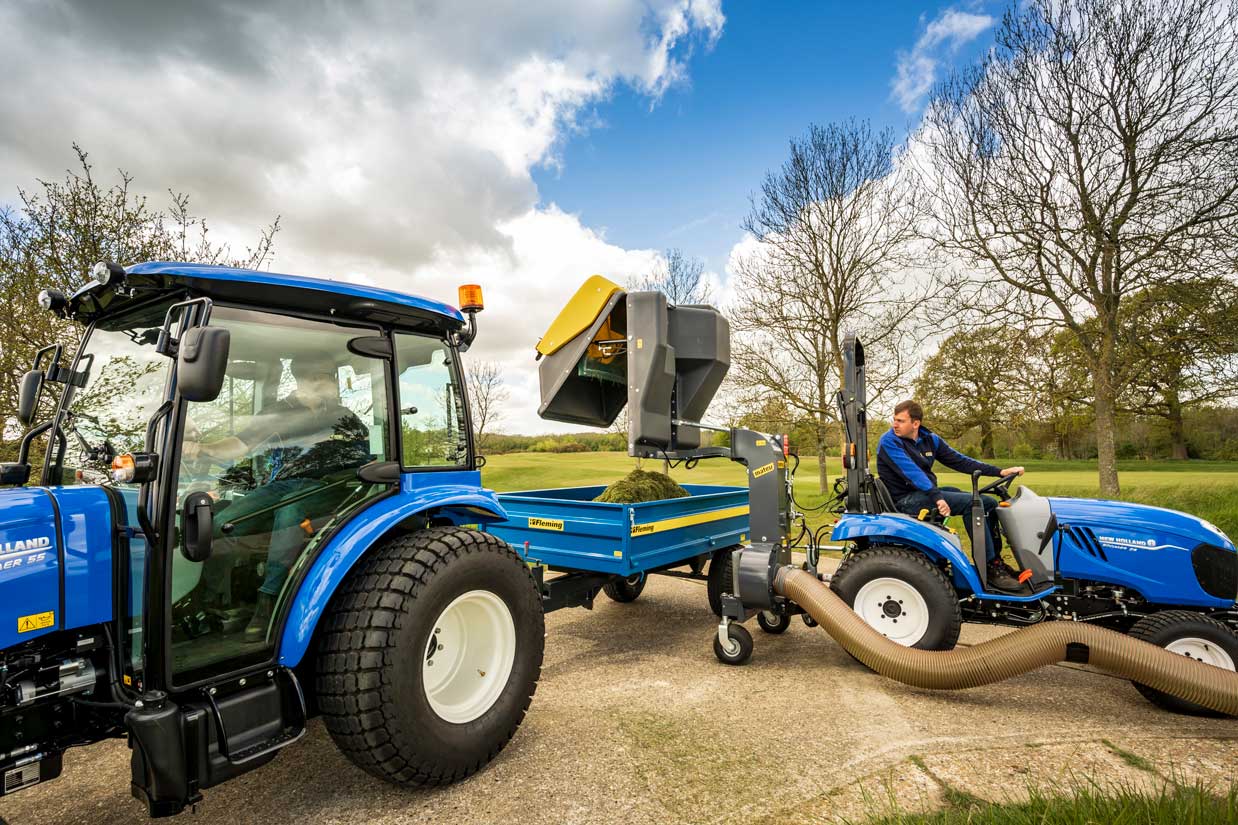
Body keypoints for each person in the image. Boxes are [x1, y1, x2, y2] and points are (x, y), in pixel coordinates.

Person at [183, 356, 369, 641]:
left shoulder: (344, 416)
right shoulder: (277, 413)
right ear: (302, 380)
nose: (330, 383)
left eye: (331, 377)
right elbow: (239, 445)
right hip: (284, 484)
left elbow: (362, 458)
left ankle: (268, 602)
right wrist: (203, 448)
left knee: (290, 511)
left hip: (330, 485)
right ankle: (208, 602)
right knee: (221, 523)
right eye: (323, 377)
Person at [877, 400, 1025, 591]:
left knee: (985, 502)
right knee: (974, 503)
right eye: (894, 420)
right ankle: (989, 569)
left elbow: (960, 461)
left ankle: (994, 562)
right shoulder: (890, 441)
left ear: (916, 423)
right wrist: (937, 497)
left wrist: (1000, 472)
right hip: (905, 500)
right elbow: (913, 473)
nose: (894, 425)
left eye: (900, 421)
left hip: (923, 493)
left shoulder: (930, 439)